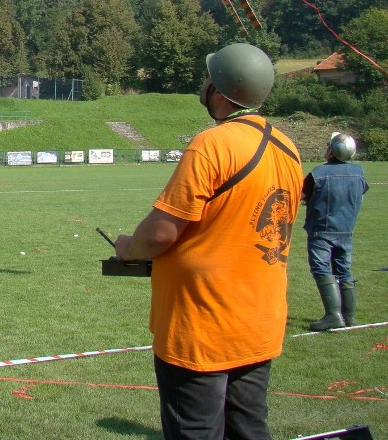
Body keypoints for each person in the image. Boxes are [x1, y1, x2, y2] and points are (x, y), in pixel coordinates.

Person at [114, 43, 303, 440]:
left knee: (195, 431)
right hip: (260, 320)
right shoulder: (289, 148)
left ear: (218, 90)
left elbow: (161, 233)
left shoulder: (212, 143)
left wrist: (128, 247)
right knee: (249, 429)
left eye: (208, 78)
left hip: (204, 323)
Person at [302, 132, 368, 330]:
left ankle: (333, 315)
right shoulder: (359, 172)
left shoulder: (318, 173)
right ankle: (350, 317)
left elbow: (302, 194)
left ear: (332, 150)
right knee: (344, 270)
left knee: (321, 269)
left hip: (321, 230)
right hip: (346, 230)